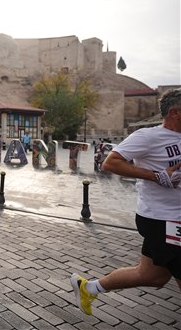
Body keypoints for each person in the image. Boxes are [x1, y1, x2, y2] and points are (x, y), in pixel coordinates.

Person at [71, 88, 181, 316]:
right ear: (175, 113)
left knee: (152, 275)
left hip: (172, 218)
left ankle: (89, 288)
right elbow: (110, 163)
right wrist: (156, 176)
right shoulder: (148, 136)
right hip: (163, 220)